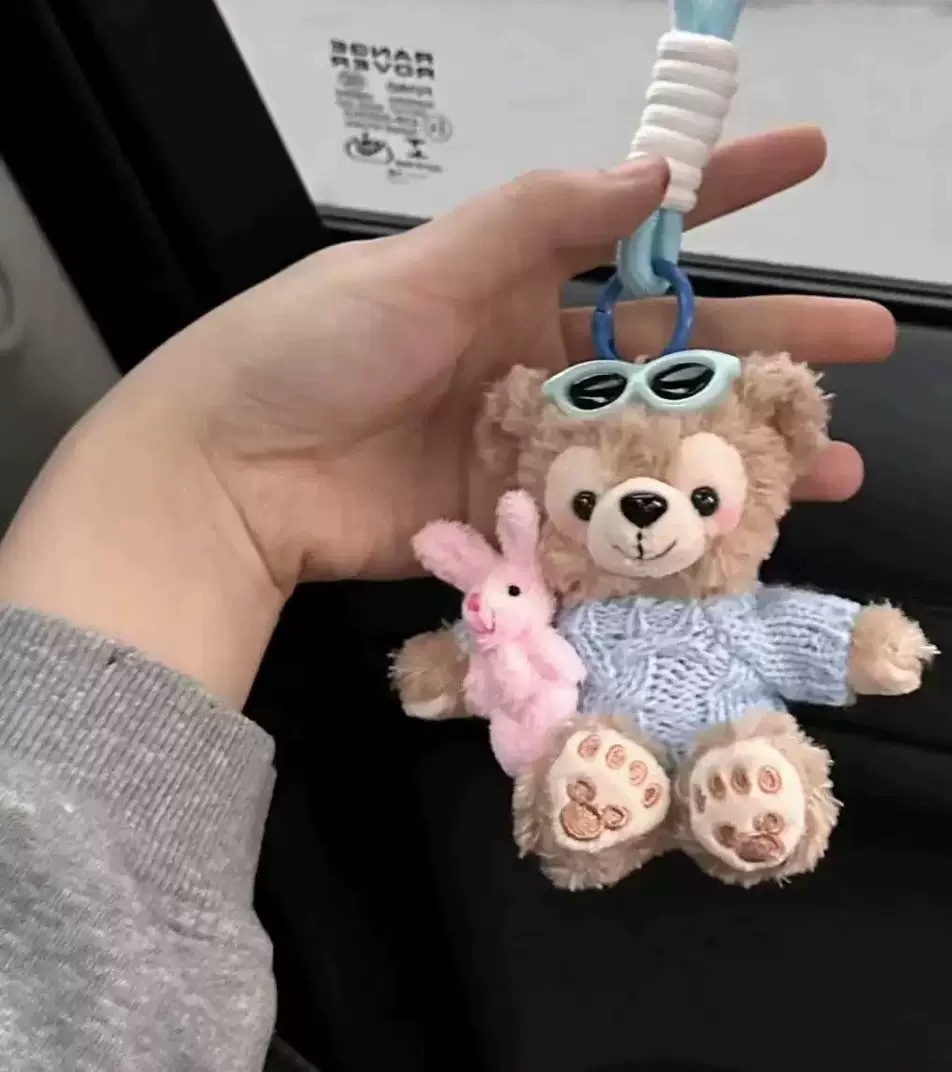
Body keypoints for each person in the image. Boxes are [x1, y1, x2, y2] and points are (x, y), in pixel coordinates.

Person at [0, 131, 895, 1071]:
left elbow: (54, 896)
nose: (640, 515)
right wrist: (215, 469)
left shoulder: (711, 609)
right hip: (599, 730)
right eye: (588, 499)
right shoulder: (568, 609)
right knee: (593, 758)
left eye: (701, 498)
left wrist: (217, 469)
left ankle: (739, 778)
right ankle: (618, 791)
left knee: (740, 750)